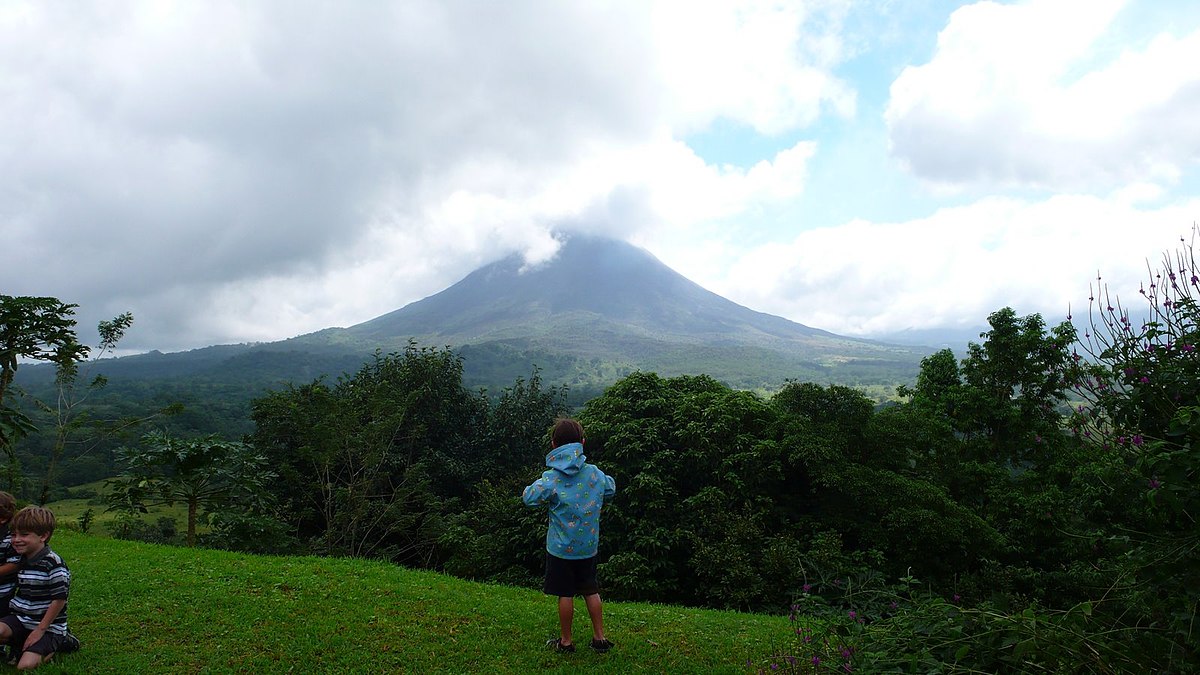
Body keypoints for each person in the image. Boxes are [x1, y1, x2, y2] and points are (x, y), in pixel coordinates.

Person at [522, 418, 617, 654]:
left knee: (565, 594)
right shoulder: (594, 474)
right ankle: (600, 638)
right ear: (583, 442)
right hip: (588, 547)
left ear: (554, 445)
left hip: (561, 550)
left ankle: (566, 641)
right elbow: (611, 488)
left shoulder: (552, 478)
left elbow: (529, 498)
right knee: (591, 590)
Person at [0, 506, 79, 670]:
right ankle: (21, 643)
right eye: (13, 535)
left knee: (25, 666)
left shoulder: (54, 564)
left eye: (24, 534)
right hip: (21, 619)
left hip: (47, 626)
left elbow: (59, 600)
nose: (16, 540)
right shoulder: (22, 560)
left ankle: (62, 642)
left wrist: (40, 630)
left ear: (43, 536)